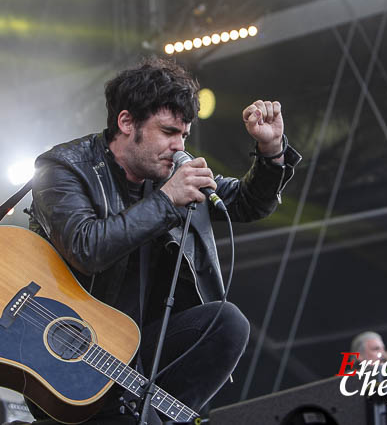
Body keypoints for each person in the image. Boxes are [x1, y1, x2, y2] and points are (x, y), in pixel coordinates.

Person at [27, 57, 301, 424]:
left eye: (184, 135)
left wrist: (272, 152)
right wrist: (166, 200)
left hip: (138, 349)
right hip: (77, 346)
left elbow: (248, 203)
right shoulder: (63, 167)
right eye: (169, 131)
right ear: (126, 122)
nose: (178, 146)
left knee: (227, 322)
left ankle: (154, 415)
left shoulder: (170, 173)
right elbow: (85, 248)